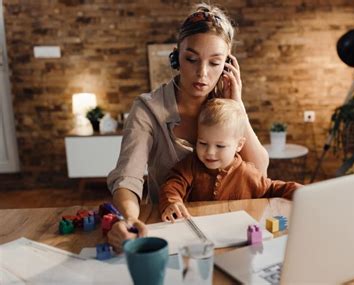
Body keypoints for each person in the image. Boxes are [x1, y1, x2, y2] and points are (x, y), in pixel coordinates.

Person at [106, 3, 269, 252]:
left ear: (227, 64)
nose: (202, 73)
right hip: (171, 228)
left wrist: (238, 105)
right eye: (191, 59)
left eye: (215, 63)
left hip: (231, 228)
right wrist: (128, 219)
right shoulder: (147, 109)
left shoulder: (226, 104)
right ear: (176, 56)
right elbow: (128, 178)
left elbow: (259, 170)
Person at [159, 98, 302, 222]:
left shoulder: (248, 173)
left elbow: (273, 189)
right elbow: (172, 184)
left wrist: (303, 194)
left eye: (220, 146)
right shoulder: (191, 164)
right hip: (196, 230)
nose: (209, 152)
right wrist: (172, 202)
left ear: (239, 145)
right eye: (202, 143)